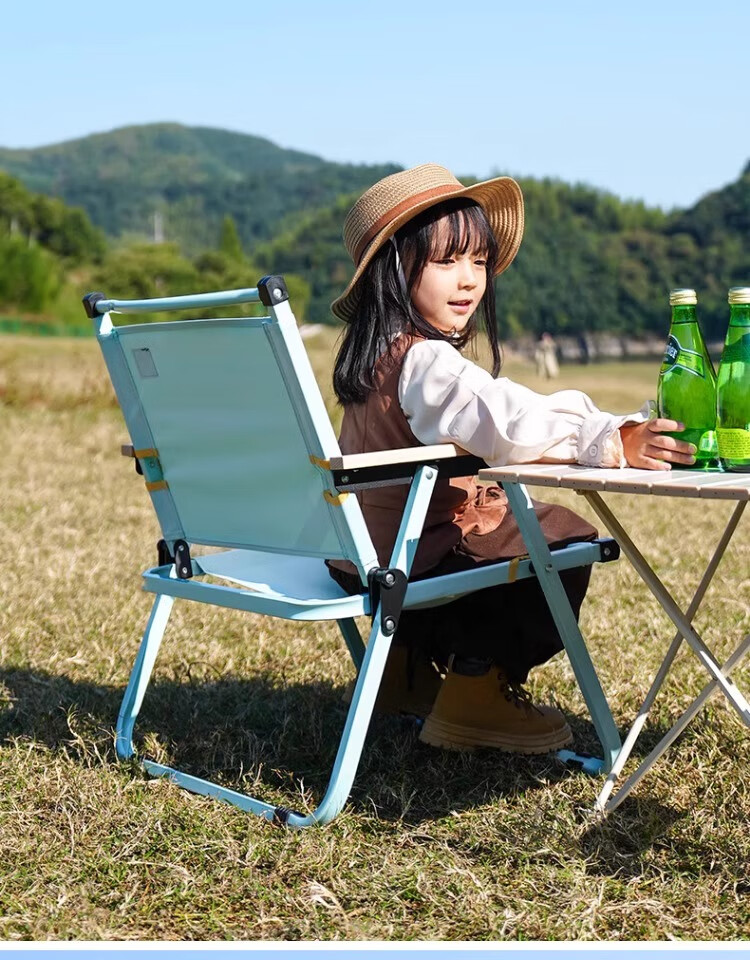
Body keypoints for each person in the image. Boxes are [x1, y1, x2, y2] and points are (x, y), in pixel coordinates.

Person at [326, 164, 696, 755]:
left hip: (356, 556)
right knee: (563, 540)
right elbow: (509, 421)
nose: (469, 280)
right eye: (446, 261)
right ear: (392, 271)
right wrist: (608, 436)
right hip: (409, 561)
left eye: (478, 261)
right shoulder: (426, 362)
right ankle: (476, 692)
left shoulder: (373, 359)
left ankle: (405, 669)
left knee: (498, 527)